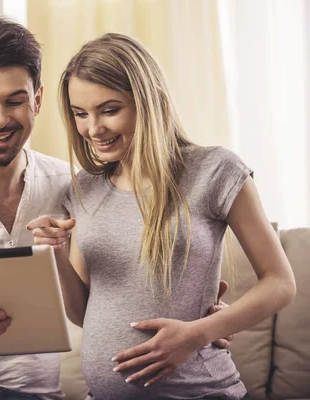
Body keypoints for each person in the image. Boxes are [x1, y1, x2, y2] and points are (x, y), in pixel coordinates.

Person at [0, 14, 235, 400]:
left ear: (38, 101)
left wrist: (200, 320)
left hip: (36, 394)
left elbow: (114, 294)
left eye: (15, 101)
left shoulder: (74, 186)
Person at [27, 32, 297, 400]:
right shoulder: (83, 189)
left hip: (200, 392)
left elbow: (280, 282)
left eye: (109, 110)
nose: (93, 129)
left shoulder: (215, 170)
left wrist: (200, 332)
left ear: (148, 102)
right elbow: (82, 313)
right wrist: (56, 253)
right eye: (80, 114)